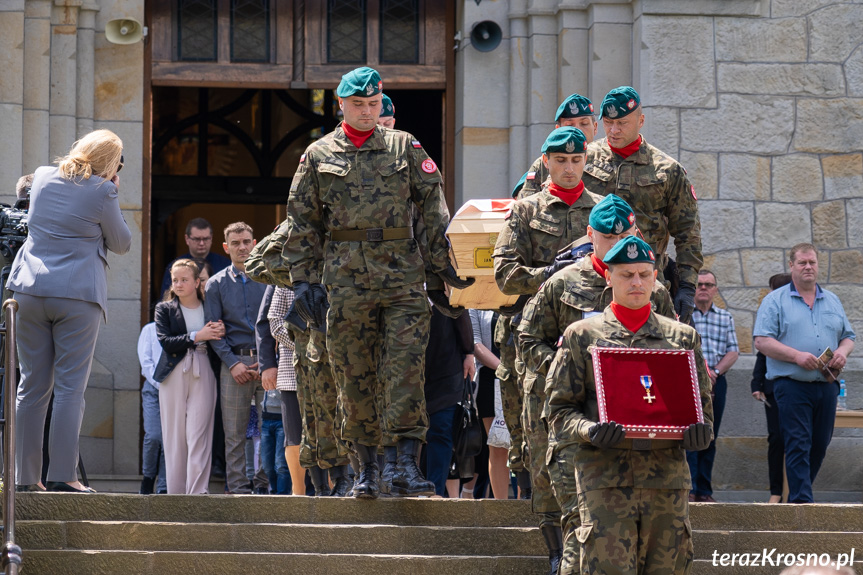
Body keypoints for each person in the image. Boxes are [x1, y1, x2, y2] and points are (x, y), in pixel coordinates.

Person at [282, 66, 469, 499]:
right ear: (341, 105)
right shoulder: (317, 154)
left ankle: (404, 465)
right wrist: (304, 281)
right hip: (345, 283)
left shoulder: (406, 147)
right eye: (358, 105)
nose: (366, 112)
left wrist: (441, 271)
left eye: (373, 104)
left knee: (405, 371)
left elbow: (433, 212)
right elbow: (302, 222)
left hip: (402, 278)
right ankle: (365, 469)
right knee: (353, 376)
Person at [519, 194, 675, 574]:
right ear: (591, 236)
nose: (617, 245)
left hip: (632, 424)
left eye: (625, 235)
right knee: (577, 514)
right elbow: (526, 339)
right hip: (578, 416)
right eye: (607, 239)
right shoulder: (562, 283)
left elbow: (670, 350)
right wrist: (566, 366)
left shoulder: (653, 288)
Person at [545, 235, 713, 575]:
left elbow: (703, 411)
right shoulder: (582, 336)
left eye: (643, 274)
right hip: (605, 482)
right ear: (609, 277)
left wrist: (700, 434)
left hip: (666, 483)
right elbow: (559, 411)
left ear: (655, 278)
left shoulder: (682, 338)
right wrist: (590, 430)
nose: (636, 282)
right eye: (626, 274)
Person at [493, 125, 603, 573]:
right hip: (537, 344)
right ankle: (556, 549)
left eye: (577, 160)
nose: (570, 167)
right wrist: (547, 273)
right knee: (540, 449)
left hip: (596, 346)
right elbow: (503, 274)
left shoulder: (603, 212)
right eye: (561, 160)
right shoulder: (525, 211)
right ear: (546, 163)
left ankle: (590, 538)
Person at [10, 129, 132, 493]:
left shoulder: (43, 176)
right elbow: (122, 243)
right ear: (110, 162)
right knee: (69, 389)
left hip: (28, 289)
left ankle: (25, 479)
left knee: (30, 386)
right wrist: (112, 188)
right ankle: (63, 475)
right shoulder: (103, 190)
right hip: (77, 295)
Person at [582, 86, 702, 322]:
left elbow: (688, 233)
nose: (613, 130)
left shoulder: (667, 170)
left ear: (641, 120)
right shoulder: (582, 159)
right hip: (588, 282)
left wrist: (687, 286)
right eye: (607, 122)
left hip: (644, 285)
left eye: (622, 123)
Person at [753, 243, 855, 503]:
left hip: (827, 384)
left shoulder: (832, 299)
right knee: (798, 444)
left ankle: (798, 497)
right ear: (791, 266)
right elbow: (762, 341)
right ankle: (801, 503)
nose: (808, 267)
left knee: (819, 444)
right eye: (802, 263)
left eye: (812, 262)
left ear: (818, 265)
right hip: (791, 385)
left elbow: (848, 337)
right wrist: (796, 356)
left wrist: (843, 352)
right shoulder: (774, 300)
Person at [204, 221, 268, 494]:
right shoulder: (215, 285)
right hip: (234, 366)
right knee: (234, 433)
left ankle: (265, 485)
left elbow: (276, 323)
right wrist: (233, 363)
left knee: (270, 431)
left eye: (246, 242)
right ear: (225, 247)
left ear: (254, 244)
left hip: (268, 366)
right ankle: (239, 488)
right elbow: (214, 331)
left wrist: (267, 361)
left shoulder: (270, 278)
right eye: (236, 243)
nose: (242, 247)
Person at [154, 259, 224, 494]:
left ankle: (197, 492)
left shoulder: (210, 306)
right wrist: (197, 335)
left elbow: (220, 333)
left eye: (185, 279)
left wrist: (218, 332)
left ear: (197, 282)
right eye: (175, 280)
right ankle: (175, 494)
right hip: (174, 371)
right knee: (174, 435)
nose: (179, 284)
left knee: (199, 432)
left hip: (204, 367)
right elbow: (165, 342)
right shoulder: (164, 309)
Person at [688, 269, 739, 502]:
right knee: (688, 435)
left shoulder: (725, 317)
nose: (704, 288)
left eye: (709, 284)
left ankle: (704, 490)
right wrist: (700, 370)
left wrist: (715, 371)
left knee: (710, 436)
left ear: (715, 289)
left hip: (716, 383)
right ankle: (688, 489)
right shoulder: (684, 316)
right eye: (699, 284)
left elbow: (733, 351)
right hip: (688, 382)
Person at [423, 303, 475, 496]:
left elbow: (460, 310)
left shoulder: (446, 277)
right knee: (407, 434)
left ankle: (434, 490)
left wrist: (468, 353)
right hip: (407, 368)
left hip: (446, 367)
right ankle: (406, 489)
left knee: (441, 430)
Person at [751, 272, 792, 503]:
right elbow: (762, 352)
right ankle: (776, 492)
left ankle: (795, 490)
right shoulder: (770, 311)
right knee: (777, 439)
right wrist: (757, 383)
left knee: (798, 440)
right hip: (773, 388)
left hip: (797, 385)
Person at [519, 93, 598, 198]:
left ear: (595, 127)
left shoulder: (607, 158)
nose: (577, 129)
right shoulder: (545, 163)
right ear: (558, 130)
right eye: (569, 125)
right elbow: (525, 203)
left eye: (584, 123)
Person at [469, 309, 511, 499]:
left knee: (525, 446)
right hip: (489, 378)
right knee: (498, 446)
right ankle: (502, 505)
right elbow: (475, 343)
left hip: (525, 377)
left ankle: (526, 502)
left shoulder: (521, 290)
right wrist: (504, 369)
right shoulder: (475, 301)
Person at [160, 218, 231, 296]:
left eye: (206, 239)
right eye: (197, 239)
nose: (201, 243)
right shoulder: (175, 267)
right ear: (187, 239)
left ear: (211, 238)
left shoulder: (226, 265)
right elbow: (166, 297)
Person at [137, 318, 167, 494]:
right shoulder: (149, 330)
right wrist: (160, 384)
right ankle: (148, 478)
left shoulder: (180, 330)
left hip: (176, 389)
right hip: (153, 388)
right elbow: (145, 361)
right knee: (154, 435)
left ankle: (163, 487)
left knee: (169, 440)